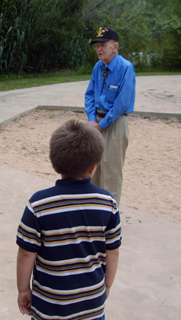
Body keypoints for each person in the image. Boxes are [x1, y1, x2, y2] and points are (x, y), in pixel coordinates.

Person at [16, 119, 121, 320]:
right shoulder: (107, 204)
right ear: (93, 167)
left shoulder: (38, 205)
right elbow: (113, 252)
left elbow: (26, 254)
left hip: (49, 306)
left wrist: (23, 290)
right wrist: (106, 286)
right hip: (92, 305)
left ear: (56, 163)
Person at [85, 26, 136, 206]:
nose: (99, 49)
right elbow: (90, 95)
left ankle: (110, 215)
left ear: (115, 46)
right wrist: (92, 119)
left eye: (103, 45)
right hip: (96, 122)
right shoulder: (98, 67)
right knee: (93, 169)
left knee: (111, 171)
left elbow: (121, 104)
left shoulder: (125, 68)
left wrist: (102, 124)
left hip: (115, 124)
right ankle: (95, 208)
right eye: (96, 46)